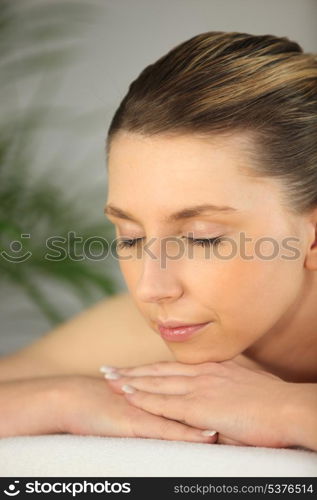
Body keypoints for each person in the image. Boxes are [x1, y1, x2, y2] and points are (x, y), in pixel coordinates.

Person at [0, 31, 316, 450]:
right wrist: (61, 398)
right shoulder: (149, 332)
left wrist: (290, 409)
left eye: (201, 239)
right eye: (131, 237)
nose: (152, 288)